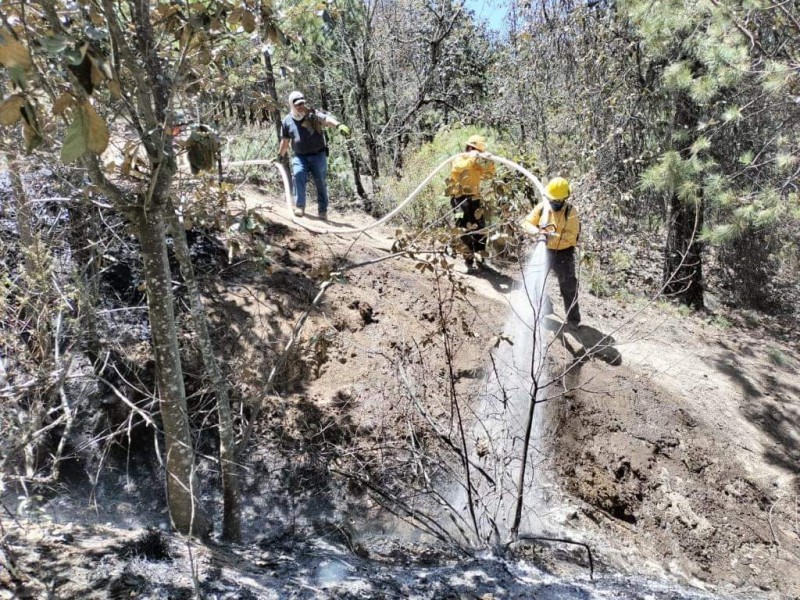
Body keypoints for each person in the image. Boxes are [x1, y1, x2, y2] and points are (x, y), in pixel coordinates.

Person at [278, 90, 350, 220]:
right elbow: (285, 141)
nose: (301, 107)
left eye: (302, 103)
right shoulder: (287, 121)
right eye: (297, 104)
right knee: (298, 175)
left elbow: (326, 119)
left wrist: (338, 125)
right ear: (292, 105)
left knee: (321, 182)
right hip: (300, 157)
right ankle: (300, 206)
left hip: (318, 155)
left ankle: (322, 211)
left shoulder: (313, 114)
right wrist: (279, 156)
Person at [520, 177, 582, 328]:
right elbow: (526, 222)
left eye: (557, 201)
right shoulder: (542, 208)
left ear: (564, 199)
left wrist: (554, 236)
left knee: (568, 287)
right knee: (535, 282)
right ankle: (544, 309)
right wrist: (537, 231)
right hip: (544, 250)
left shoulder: (571, 212)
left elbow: (572, 237)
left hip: (563, 254)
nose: (554, 203)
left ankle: (573, 320)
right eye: (552, 200)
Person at [447, 134, 496, 271]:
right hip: (458, 200)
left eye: (480, 152)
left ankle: (481, 258)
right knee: (462, 229)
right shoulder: (458, 159)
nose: (478, 154)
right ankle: (468, 260)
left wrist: (490, 162)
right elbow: (460, 168)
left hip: (475, 199)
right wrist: (472, 157)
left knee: (480, 228)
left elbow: (489, 175)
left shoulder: (476, 163)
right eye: (476, 151)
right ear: (469, 148)